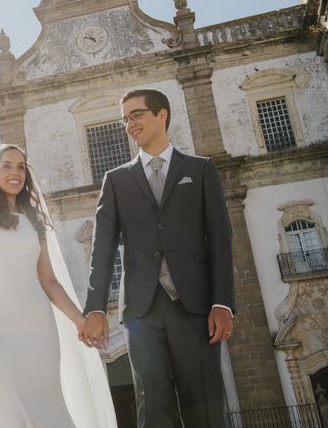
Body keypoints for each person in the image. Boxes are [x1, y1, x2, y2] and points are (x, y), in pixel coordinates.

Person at [81, 89, 235, 428]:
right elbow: (102, 248)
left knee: (205, 406)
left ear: (161, 115)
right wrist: (94, 308)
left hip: (195, 307)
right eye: (125, 119)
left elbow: (220, 239)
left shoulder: (201, 169)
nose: (129, 124)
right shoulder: (116, 181)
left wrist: (223, 302)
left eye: (136, 114)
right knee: (153, 410)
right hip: (141, 312)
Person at [0, 143, 118, 428]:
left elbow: (49, 281)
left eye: (21, 168)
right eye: (7, 166)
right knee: (7, 409)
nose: (15, 173)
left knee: (46, 409)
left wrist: (80, 320)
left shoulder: (34, 222)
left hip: (39, 329)